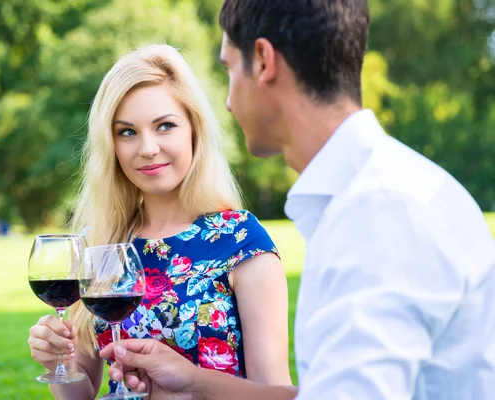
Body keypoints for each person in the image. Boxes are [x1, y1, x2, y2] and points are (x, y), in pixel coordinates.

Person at [101, 0, 495, 399]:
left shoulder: (380, 212)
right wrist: (195, 383)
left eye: (229, 68)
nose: (227, 101)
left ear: (263, 61)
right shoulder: (384, 192)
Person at [27, 44, 292, 399]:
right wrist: (60, 364)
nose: (147, 148)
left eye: (164, 126)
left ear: (194, 130)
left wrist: (194, 384)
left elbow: (276, 394)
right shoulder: (100, 244)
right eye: (127, 132)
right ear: (111, 145)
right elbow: (82, 393)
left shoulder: (242, 240)